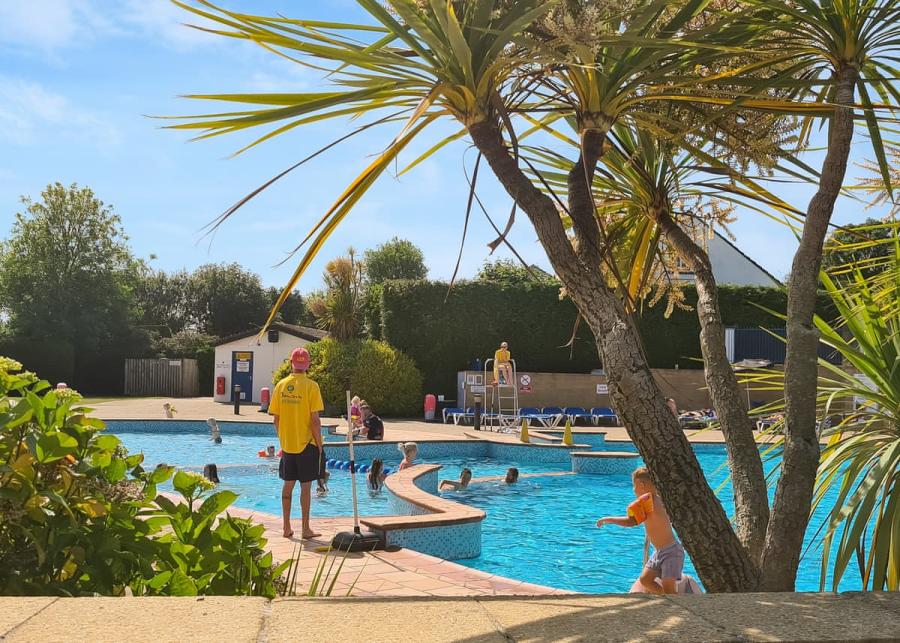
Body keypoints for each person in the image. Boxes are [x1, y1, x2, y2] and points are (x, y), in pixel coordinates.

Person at [595, 466, 684, 594]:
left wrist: (608, 519)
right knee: (646, 580)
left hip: (671, 552)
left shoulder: (648, 500)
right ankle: (668, 598)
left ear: (642, 485)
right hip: (659, 552)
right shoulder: (658, 499)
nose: (634, 490)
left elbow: (631, 521)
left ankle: (677, 603)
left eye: (634, 486)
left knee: (669, 588)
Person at [269, 346, 325, 540]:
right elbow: (315, 420)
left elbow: (275, 419)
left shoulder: (280, 386)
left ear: (291, 363)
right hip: (306, 444)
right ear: (308, 364)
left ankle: (286, 527)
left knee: (287, 486)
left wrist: (283, 439)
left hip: (288, 445)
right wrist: (320, 445)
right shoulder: (312, 386)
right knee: (306, 488)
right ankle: (305, 529)